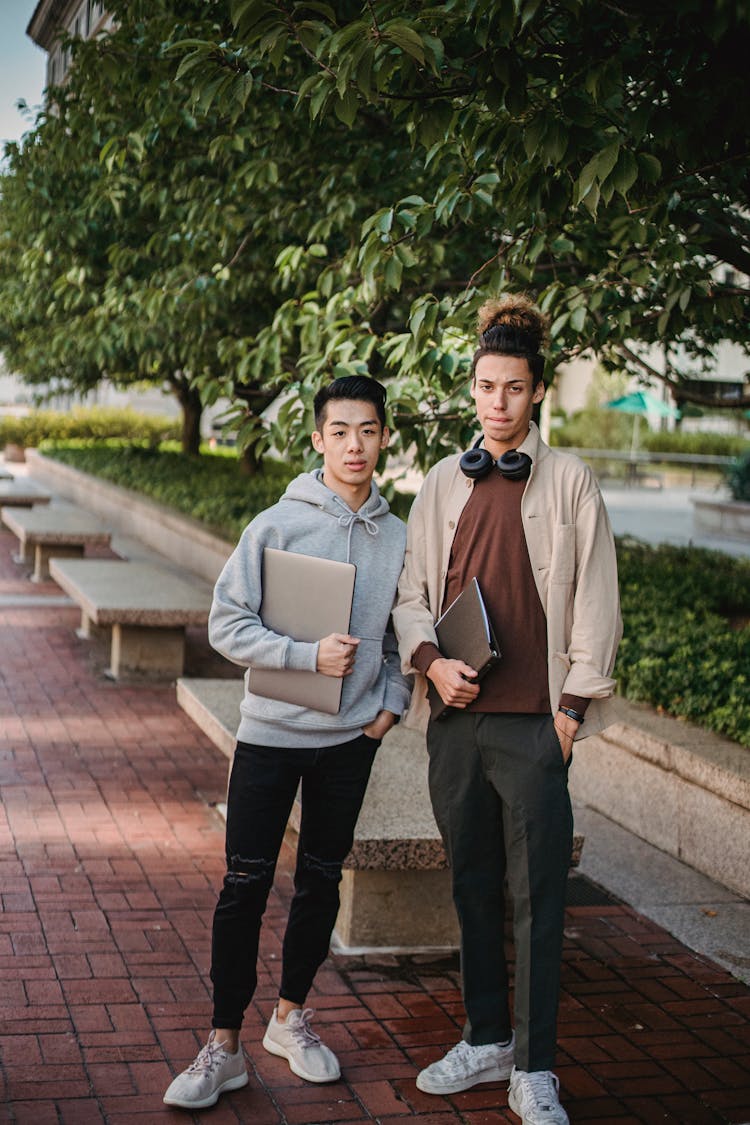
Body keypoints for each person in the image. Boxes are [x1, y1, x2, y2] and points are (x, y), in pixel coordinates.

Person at [392, 295, 622, 1125]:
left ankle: (534, 1068)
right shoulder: (442, 484)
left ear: (536, 393)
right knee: (473, 884)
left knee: (539, 899)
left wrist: (568, 712)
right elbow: (412, 595)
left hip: (534, 726)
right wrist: (429, 661)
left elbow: (598, 604)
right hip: (455, 722)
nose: (497, 401)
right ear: (474, 387)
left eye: (513, 387)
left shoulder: (570, 482)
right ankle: (486, 1036)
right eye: (486, 385)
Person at [164, 375, 411, 1111]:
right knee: (243, 885)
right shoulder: (275, 524)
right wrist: (306, 656)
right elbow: (226, 623)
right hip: (271, 735)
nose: (354, 445)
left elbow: (406, 640)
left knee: (321, 881)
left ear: (386, 437)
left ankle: (290, 1016)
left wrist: (388, 709)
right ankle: (224, 1045)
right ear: (317, 439)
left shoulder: (399, 537)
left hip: (349, 742)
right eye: (340, 431)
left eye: (368, 430)